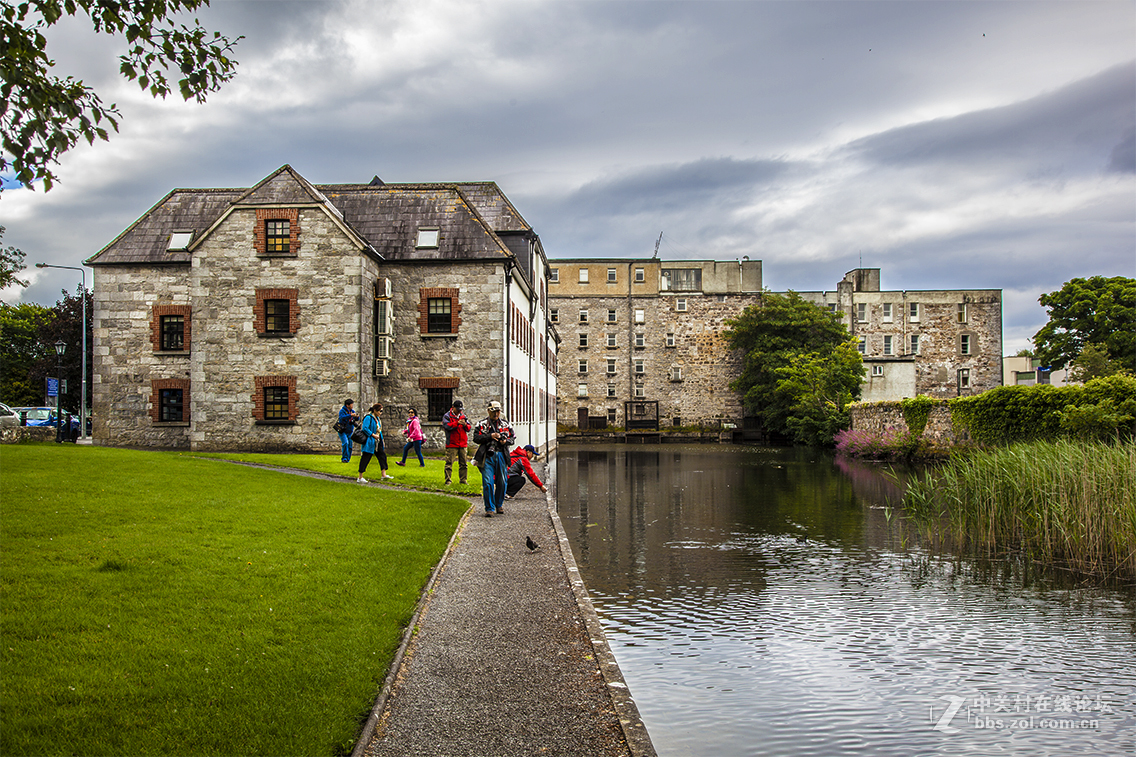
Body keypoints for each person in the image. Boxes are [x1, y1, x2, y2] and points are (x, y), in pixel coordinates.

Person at [472, 400, 514, 517]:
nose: (496, 414)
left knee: (502, 481)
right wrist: (490, 436)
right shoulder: (482, 424)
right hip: (487, 455)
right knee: (488, 482)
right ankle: (489, 508)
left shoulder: (506, 424)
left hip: (501, 454)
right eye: (493, 411)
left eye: (498, 411)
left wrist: (505, 441)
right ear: (488, 411)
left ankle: (499, 504)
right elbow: (476, 438)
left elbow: (513, 438)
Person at [357, 403, 393, 483]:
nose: (380, 413)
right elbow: (365, 428)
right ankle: (360, 477)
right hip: (370, 441)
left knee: (382, 456)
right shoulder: (368, 417)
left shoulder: (377, 419)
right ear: (375, 410)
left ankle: (383, 474)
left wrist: (381, 440)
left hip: (378, 441)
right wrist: (372, 435)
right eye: (380, 411)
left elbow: (379, 430)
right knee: (366, 457)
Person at [442, 399, 472, 485]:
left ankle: (463, 480)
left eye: (461, 409)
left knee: (464, 464)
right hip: (451, 443)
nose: (459, 411)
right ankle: (448, 480)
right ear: (453, 408)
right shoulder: (447, 416)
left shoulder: (463, 416)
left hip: (462, 443)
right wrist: (457, 423)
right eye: (458, 409)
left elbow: (469, 428)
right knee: (449, 463)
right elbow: (447, 426)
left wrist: (465, 424)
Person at [338, 399, 359, 463]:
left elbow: (356, 419)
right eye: (351, 404)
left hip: (350, 431)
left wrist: (357, 417)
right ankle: (344, 458)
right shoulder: (342, 411)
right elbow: (342, 417)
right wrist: (350, 415)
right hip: (342, 430)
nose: (352, 406)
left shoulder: (352, 411)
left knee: (350, 445)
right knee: (345, 443)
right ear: (347, 405)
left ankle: (348, 459)